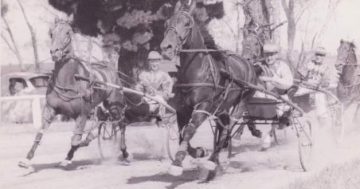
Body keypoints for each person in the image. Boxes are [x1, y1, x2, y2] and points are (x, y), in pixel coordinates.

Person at [254, 43, 294, 150]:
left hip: (280, 97)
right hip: (263, 97)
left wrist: (272, 79)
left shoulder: (283, 66)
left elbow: (289, 83)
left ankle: (269, 134)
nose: (269, 57)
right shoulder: (260, 66)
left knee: (276, 113)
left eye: (272, 55)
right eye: (267, 55)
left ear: (277, 55)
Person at [296, 47, 334, 129]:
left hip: (318, 89)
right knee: (296, 95)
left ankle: (322, 121)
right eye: (317, 54)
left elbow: (326, 81)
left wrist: (320, 85)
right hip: (306, 87)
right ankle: (297, 115)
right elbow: (301, 74)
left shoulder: (326, 67)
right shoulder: (309, 64)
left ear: (324, 57)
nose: (318, 57)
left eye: (321, 55)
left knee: (319, 99)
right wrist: (302, 77)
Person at [135, 51, 174, 123]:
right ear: (148, 62)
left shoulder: (164, 75)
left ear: (159, 62)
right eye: (152, 62)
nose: (154, 64)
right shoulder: (144, 74)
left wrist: (163, 94)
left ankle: (159, 119)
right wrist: (140, 90)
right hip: (147, 99)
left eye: (156, 61)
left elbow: (167, 89)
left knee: (160, 102)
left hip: (159, 99)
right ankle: (147, 117)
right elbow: (139, 88)